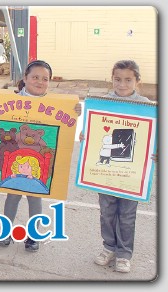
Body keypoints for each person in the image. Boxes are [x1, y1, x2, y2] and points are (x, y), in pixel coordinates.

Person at [0, 60, 81, 252]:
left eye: (45, 79)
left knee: (36, 197)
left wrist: (76, 111)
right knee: (12, 195)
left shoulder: (56, 103)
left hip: (38, 161)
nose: (40, 82)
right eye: (35, 77)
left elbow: (65, 124)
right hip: (17, 158)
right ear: (25, 78)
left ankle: (33, 235)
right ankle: (6, 231)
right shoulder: (10, 100)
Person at [80, 60, 156, 273]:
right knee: (107, 212)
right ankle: (108, 247)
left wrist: (156, 150)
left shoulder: (147, 106)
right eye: (117, 79)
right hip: (105, 172)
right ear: (111, 79)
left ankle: (123, 253)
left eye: (128, 80)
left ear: (137, 82)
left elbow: (154, 138)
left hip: (132, 173)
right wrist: (86, 136)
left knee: (127, 215)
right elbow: (92, 133)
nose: (122, 84)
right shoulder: (101, 103)